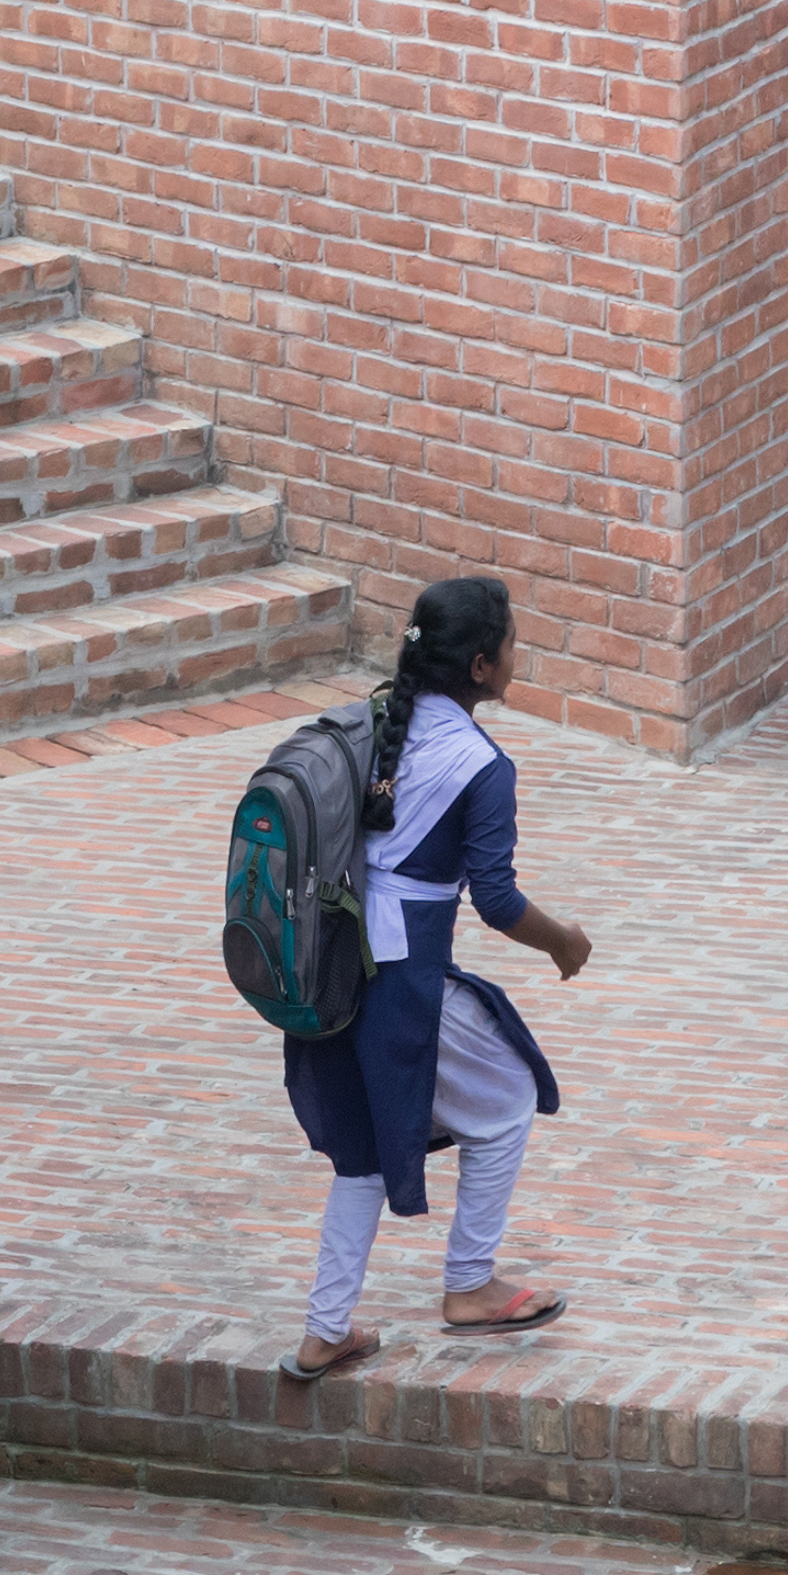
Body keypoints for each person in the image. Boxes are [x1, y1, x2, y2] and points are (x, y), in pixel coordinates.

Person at [283, 575, 589, 1382]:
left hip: (328, 963)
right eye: (515, 644)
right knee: (508, 1098)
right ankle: (471, 1286)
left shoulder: (378, 720)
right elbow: (495, 900)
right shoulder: (481, 764)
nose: (520, 655)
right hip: (398, 974)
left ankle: (326, 1332)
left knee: (362, 1154)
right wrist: (562, 942)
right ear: (485, 666)